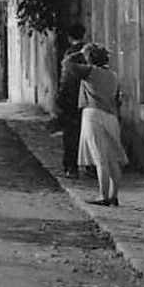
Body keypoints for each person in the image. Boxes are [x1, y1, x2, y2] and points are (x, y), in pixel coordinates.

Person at [75, 43, 128, 206]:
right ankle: (114, 195)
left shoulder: (91, 73)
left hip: (93, 114)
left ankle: (103, 196)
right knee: (113, 158)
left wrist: (78, 53)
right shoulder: (112, 75)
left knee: (100, 159)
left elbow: (68, 66)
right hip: (111, 116)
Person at [54, 33, 88, 178]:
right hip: (88, 102)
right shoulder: (90, 53)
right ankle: (90, 167)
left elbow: (65, 81)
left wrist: (60, 102)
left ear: (69, 37)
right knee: (87, 136)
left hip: (71, 102)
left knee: (71, 137)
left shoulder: (69, 56)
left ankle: (71, 167)